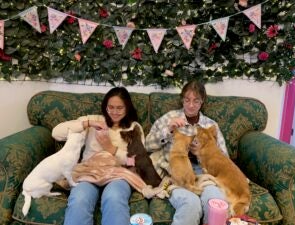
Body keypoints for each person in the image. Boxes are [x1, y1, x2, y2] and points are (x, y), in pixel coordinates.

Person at [52, 87, 144, 225]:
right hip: (89, 172)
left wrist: (111, 148)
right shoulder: (93, 120)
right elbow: (56, 133)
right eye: (110, 107)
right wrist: (87, 123)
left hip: (118, 174)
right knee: (79, 198)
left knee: (114, 197)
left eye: (120, 108)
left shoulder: (134, 128)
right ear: (105, 106)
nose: (114, 112)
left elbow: (138, 161)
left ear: (127, 108)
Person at [145, 80, 228, 225]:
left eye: (196, 101)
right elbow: (147, 145)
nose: (191, 105)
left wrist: (201, 153)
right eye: (187, 100)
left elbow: (224, 158)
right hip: (176, 174)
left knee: (216, 202)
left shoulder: (210, 125)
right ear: (182, 100)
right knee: (191, 204)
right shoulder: (169, 118)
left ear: (202, 101)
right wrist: (168, 130)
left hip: (203, 174)